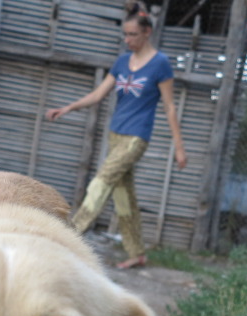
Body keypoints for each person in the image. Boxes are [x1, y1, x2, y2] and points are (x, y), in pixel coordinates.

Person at [46, 1, 187, 269]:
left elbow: (169, 106)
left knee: (101, 182)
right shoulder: (123, 61)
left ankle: (67, 238)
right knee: (124, 197)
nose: (127, 39)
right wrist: (67, 108)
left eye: (132, 34)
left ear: (147, 33)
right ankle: (137, 253)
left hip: (136, 137)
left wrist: (179, 146)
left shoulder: (160, 63)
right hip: (116, 134)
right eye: (125, 34)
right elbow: (99, 94)